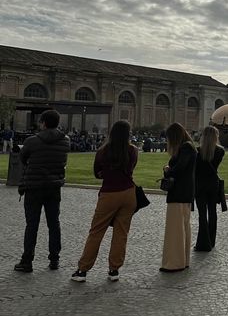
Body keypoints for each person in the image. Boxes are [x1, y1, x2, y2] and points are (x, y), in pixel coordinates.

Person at [71, 120, 138, 283]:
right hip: (129, 193)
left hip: (109, 193)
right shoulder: (133, 150)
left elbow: (97, 173)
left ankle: (83, 270)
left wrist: (107, 173)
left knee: (96, 231)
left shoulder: (103, 151)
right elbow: (131, 168)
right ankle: (114, 269)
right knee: (121, 233)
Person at [14, 110, 70, 272]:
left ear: (43, 123)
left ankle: (27, 260)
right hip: (53, 186)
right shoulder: (65, 141)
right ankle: (54, 259)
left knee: (32, 225)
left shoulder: (32, 141)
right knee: (54, 224)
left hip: (34, 186)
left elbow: (23, 158)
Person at [160, 122, 197, 272]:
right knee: (183, 227)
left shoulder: (185, 148)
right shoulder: (188, 147)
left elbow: (180, 168)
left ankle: (174, 262)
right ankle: (182, 260)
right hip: (185, 192)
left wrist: (168, 170)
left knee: (175, 229)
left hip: (179, 193)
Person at [193, 126, 225, 252]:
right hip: (213, 184)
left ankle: (202, 242)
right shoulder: (220, 151)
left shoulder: (197, 151)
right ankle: (211, 241)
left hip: (200, 184)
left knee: (202, 214)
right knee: (212, 212)